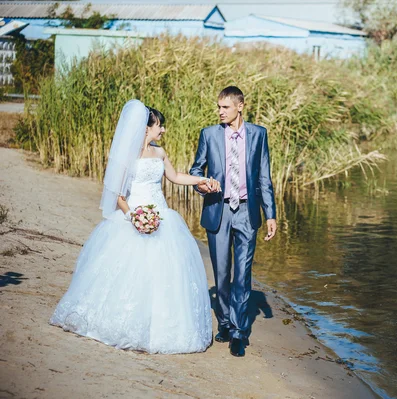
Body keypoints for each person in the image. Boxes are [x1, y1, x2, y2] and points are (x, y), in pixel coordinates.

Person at [50, 99, 217, 354]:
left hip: (162, 217)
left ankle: (161, 329)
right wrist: (133, 217)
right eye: (159, 126)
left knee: (165, 275)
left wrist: (203, 179)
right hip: (133, 218)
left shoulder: (159, 153)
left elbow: (175, 177)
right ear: (146, 127)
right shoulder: (126, 157)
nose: (162, 131)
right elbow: (117, 194)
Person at [190, 86, 277, 357]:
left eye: (225, 107)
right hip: (219, 209)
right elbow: (196, 169)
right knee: (222, 273)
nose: (220, 112)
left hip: (247, 212)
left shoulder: (259, 134)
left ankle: (239, 331)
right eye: (218, 107)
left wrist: (271, 213)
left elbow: (264, 177)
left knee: (243, 272)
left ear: (240, 106)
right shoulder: (209, 134)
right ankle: (225, 322)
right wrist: (202, 186)